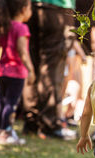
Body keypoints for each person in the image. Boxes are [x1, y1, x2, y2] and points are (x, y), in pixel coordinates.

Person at [21, 0, 77, 140]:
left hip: (32, 6)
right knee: (53, 65)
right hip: (57, 8)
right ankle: (49, 123)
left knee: (33, 63)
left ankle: (32, 120)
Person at [0, 0, 34, 145]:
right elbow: (22, 51)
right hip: (16, 72)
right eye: (30, 8)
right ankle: (6, 132)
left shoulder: (2, 26)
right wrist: (31, 69)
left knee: (1, 101)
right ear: (23, 9)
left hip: (1, 71)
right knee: (11, 103)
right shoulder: (21, 28)